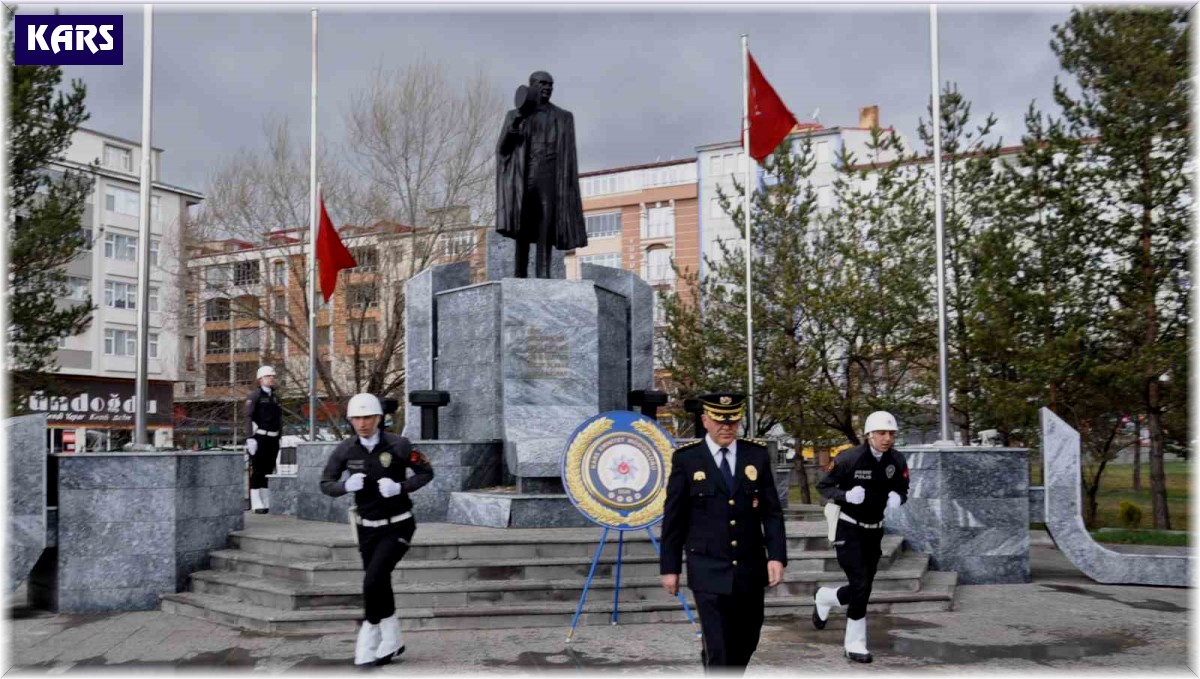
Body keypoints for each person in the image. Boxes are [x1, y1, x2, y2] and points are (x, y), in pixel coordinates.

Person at [659, 392, 787, 672]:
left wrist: (776, 556)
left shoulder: (756, 455)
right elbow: (674, 519)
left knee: (747, 638)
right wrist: (670, 567)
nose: (726, 427)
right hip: (707, 567)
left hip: (749, 566)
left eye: (733, 421)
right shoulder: (687, 459)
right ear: (705, 420)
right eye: (719, 421)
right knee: (719, 646)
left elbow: (771, 512)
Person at [320, 393, 434, 667]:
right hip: (366, 528)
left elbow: (426, 472)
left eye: (368, 417)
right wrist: (345, 486)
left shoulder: (399, 445)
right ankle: (393, 640)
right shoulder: (346, 449)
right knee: (380, 582)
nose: (362, 423)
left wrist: (401, 487)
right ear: (350, 420)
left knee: (372, 581)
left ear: (379, 418)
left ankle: (369, 634)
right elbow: (326, 483)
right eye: (357, 418)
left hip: (398, 524)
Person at [812, 410, 910, 663]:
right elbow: (823, 486)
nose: (887, 438)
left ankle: (825, 597)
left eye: (891, 434)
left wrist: (898, 497)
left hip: (874, 531)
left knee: (862, 586)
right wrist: (845, 496)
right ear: (869, 435)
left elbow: (903, 487)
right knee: (861, 585)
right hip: (849, 528)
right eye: (881, 433)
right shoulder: (849, 458)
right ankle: (854, 643)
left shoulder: (897, 460)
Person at [495, 70, 588, 278]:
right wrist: (511, 132)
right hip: (524, 174)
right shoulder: (515, 115)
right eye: (542, 83)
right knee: (522, 223)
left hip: (551, 175)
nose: (547, 88)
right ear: (531, 86)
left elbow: (569, 155)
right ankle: (520, 273)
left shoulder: (563, 117)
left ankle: (543, 273)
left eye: (550, 84)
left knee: (546, 221)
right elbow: (502, 150)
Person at [244, 365, 282, 514]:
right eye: (268, 376)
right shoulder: (255, 396)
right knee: (258, 469)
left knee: (268, 469)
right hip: (260, 437)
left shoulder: (275, 397)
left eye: (272, 376)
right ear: (260, 379)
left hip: (273, 437)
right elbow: (248, 416)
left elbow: (278, 419)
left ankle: (265, 499)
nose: (271, 378)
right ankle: (256, 501)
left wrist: (280, 436)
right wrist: (250, 438)